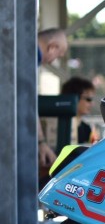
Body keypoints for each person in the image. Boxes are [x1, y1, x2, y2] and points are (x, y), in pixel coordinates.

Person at [37, 28, 69, 169]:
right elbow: (26, 106)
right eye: (57, 56)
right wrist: (40, 142)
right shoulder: (28, 59)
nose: (51, 62)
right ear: (52, 47)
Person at [60, 76, 97, 144]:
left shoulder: (87, 129)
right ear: (74, 99)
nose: (92, 104)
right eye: (88, 99)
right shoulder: (57, 126)